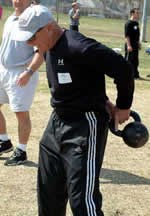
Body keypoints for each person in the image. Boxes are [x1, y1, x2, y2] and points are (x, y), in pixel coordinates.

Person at [15, 5, 134, 216]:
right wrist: (103, 98)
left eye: (32, 37)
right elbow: (82, 78)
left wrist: (123, 107)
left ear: (49, 27)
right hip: (56, 123)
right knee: (48, 197)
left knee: (82, 203)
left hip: (84, 126)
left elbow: (123, 69)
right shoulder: (48, 45)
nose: (29, 42)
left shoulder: (79, 46)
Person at [0, 0, 44, 166]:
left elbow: (41, 51)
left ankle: (22, 150)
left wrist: (29, 72)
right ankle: (4, 142)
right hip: (3, 70)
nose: (16, 0)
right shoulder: (11, 18)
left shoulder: (33, 20)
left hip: (21, 72)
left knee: (21, 112)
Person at [124, 8, 142, 80]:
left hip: (135, 45)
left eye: (138, 13)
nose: (138, 14)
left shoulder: (136, 23)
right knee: (129, 61)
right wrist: (128, 45)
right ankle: (126, 74)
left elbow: (137, 35)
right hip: (130, 45)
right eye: (137, 13)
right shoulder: (128, 23)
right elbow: (127, 35)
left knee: (135, 61)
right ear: (132, 13)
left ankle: (135, 75)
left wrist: (139, 43)